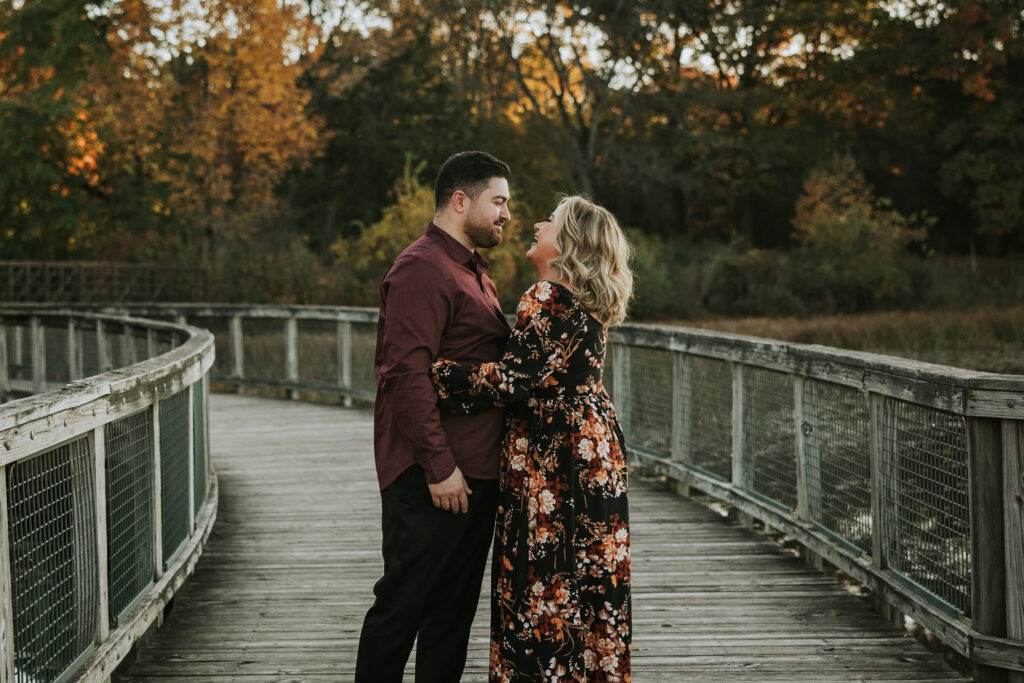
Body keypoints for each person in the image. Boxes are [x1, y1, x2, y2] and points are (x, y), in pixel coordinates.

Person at [431, 195, 634, 682]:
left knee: (542, 581)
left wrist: (437, 374)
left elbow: (510, 381)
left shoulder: (546, 297)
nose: (539, 223)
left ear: (568, 244)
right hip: (592, 453)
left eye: (553, 220)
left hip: (555, 460)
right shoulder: (585, 301)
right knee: (589, 579)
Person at [355, 151, 512, 682]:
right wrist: (440, 467)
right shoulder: (422, 267)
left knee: (451, 618)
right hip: (431, 478)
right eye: (499, 201)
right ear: (459, 200)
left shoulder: (473, 271)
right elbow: (403, 375)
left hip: (477, 476)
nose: (507, 214)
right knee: (401, 609)